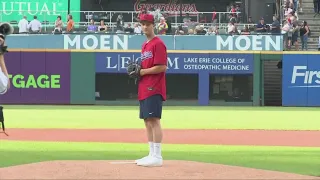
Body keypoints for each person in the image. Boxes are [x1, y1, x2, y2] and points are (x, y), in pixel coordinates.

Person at [134, 13, 167, 167]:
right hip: (144, 86)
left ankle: (158, 156)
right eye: (143, 24)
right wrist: (139, 70)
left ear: (153, 25)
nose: (145, 26)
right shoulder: (144, 45)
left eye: (148, 23)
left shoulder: (158, 43)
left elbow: (162, 66)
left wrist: (143, 72)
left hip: (154, 86)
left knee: (154, 120)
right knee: (147, 121)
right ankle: (151, 154)